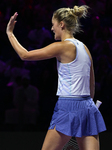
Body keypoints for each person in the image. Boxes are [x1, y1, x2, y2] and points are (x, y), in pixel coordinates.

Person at [6, 5, 106, 150]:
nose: (52, 29)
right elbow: (91, 85)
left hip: (68, 105)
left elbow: (25, 55)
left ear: (61, 24)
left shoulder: (62, 46)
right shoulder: (85, 48)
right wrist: (85, 107)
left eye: (53, 25)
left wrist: (9, 33)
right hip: (88, 107)